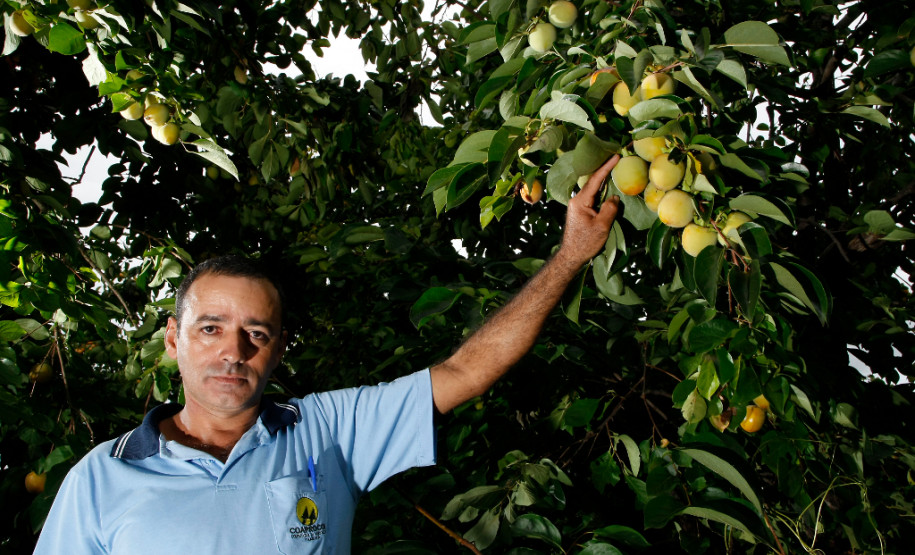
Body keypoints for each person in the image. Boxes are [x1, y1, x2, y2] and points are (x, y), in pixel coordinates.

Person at [33, 155, 621, 554]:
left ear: (279, 349)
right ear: (172, 340)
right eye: (210, 328)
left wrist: (570, 256)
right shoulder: (103, 477)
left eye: (256, 333)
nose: (233, 351)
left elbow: (465, 372)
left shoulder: (328, 432)